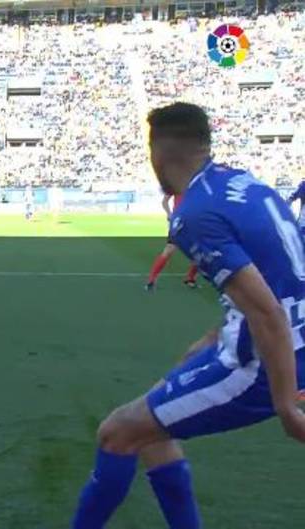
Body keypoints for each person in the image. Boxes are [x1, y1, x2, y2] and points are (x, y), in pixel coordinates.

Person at [70, 102, 305, 529]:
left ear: (158, 152)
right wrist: (220, 331)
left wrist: (286, 404)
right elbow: (282, 271)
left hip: (263, 361)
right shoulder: (244, 183)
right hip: (284, 337)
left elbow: (268, 310)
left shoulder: (192, 214)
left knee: (117, 433)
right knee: (152, 431)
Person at [145, 192, 200, 290]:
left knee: (200, 253)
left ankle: (190, 278)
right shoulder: (176, 184)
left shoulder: (199, 184)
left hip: (195, 223)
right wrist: (169, 214)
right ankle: (151, 280)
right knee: (169, 249)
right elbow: (165, 201)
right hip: (179, 222)